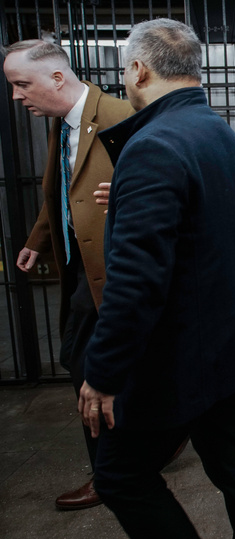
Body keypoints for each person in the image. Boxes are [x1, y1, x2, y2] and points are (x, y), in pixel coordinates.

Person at [76, 19, 235, 539]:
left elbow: (137, 282)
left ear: (139, 69)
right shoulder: (219, 133)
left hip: (179, 357)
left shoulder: (152, 145)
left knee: (118, 475)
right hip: (228, 344)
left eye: (123, 72)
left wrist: (104, 373)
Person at [3, 39, 140, 510]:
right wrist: (37, 240)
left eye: (22, 85)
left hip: (115, 268)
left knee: (85, 364)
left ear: (57, 78)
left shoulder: (122, 115)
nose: (17, 97)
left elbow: (182, 165)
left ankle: (111, 475)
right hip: (76, 264)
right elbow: (63, 190)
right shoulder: (60, 124)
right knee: (92, 361)